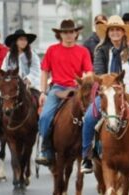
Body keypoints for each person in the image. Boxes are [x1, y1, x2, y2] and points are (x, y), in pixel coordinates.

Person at [80, 15, 129, 174]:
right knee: (88, 118)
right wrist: (112, 85)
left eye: (118, 30)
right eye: (112, 30)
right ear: (107, 33)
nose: (115, 33)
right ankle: (86, 156)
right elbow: (99, 74)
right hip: (108, 93)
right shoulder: (100, 50)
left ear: (123, 32)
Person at [35, 19, 93, 166]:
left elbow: (89, 72)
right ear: (60, 34)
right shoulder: (52, 50)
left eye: (71, 32)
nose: (68, 35)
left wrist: (84, 80)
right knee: (45, 116)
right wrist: (42, 92)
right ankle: (46, 148)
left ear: (76, 33)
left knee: (94, 114)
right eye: (65, 32)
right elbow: (44, 71)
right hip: (58, 89)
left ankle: (96, 147)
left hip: (77, 89)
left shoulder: (83, 51)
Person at [1, 29, 42, 97]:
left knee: (39, 100)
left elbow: (36, 70)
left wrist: (28, 79)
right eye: (21, 39)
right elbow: (4, 70)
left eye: (25, 40)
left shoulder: (32, 55)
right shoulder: (9, 55)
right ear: (16, 41)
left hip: (30, 86)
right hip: (12, 86)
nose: (24, 42)